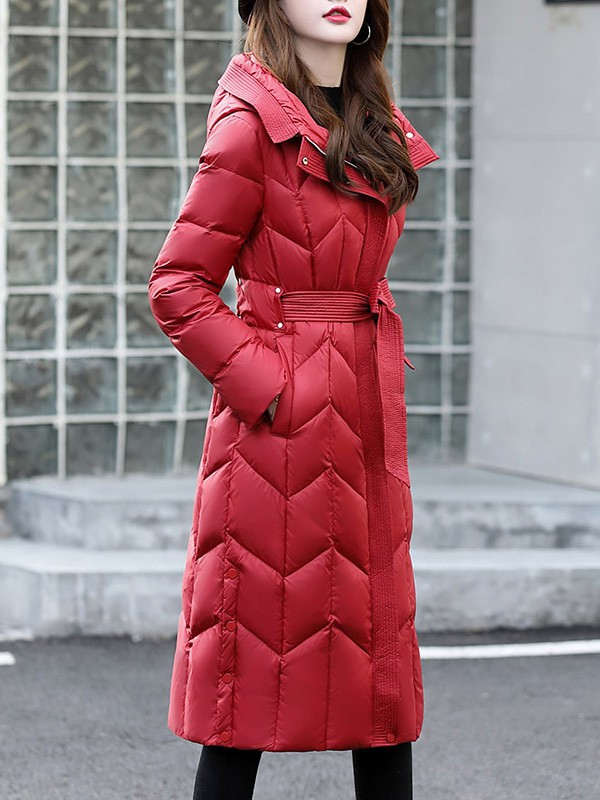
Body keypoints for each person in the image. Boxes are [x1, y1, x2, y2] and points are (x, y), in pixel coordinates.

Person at [147, 0, 439, 797]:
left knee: (382, 683)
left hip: (365, 420)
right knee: (246, 681)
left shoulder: (370, 122)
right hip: (275, 441)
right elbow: (178, 285)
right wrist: (276, 387)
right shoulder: (250, 122)